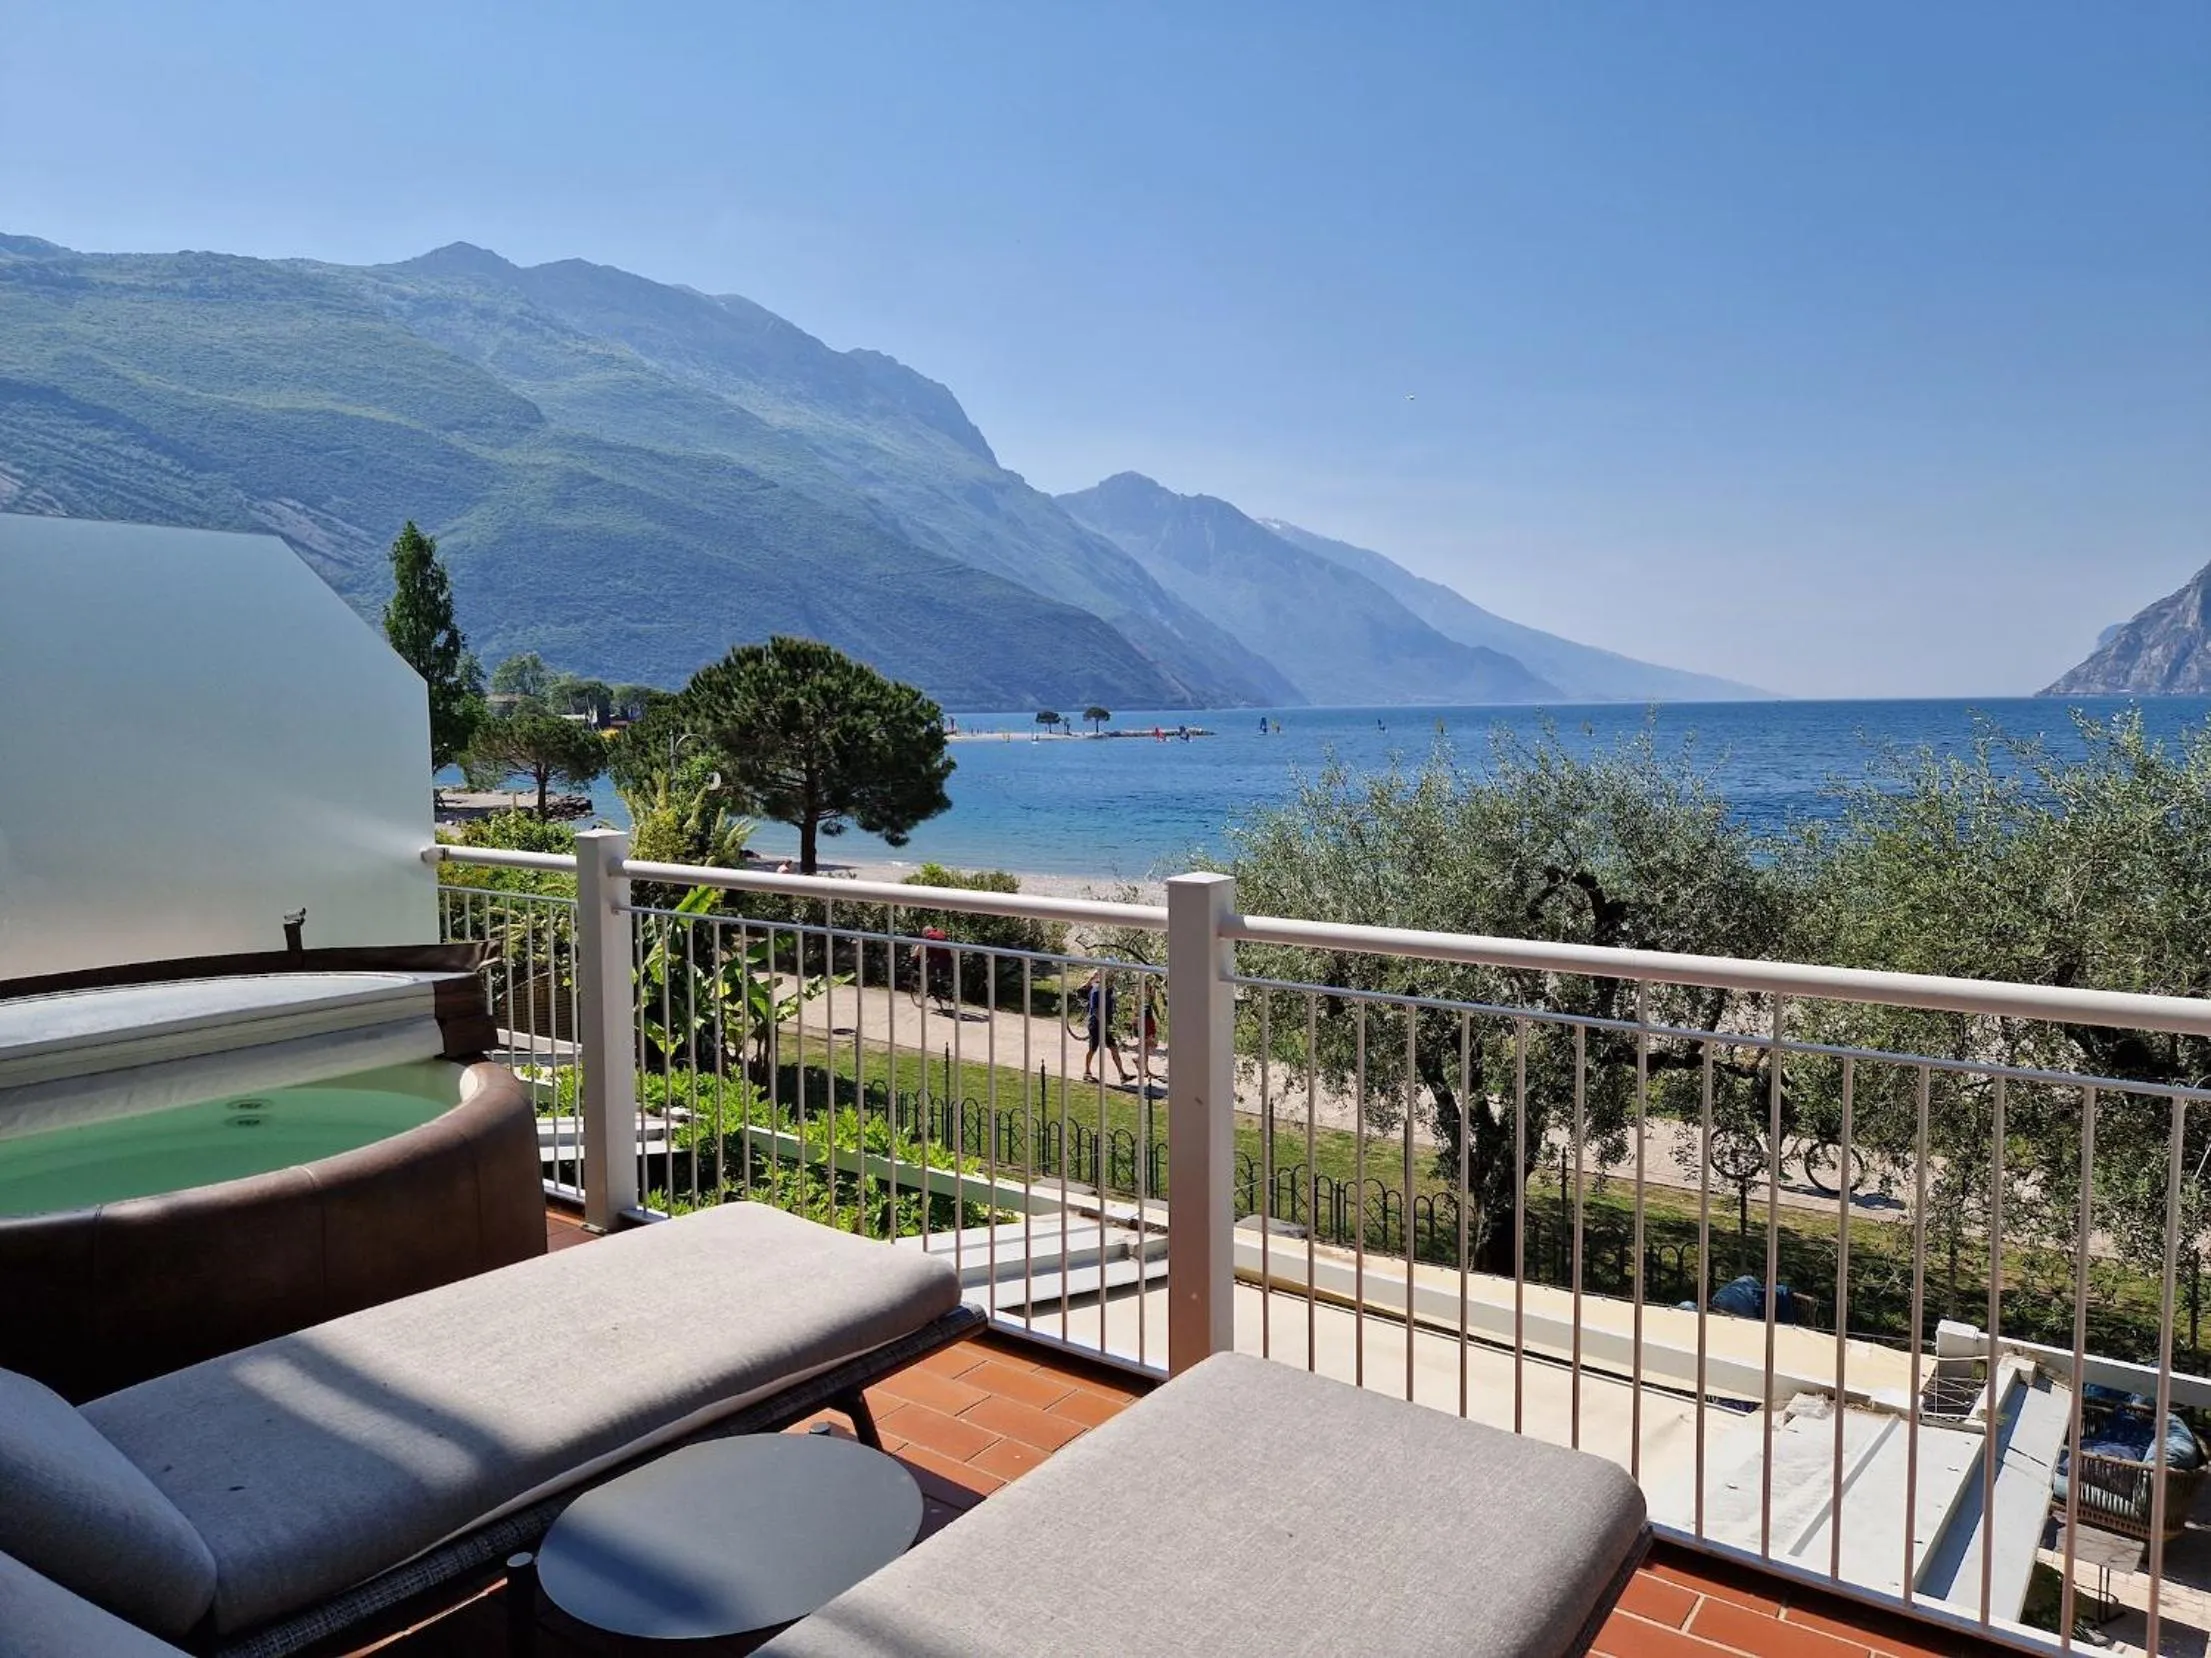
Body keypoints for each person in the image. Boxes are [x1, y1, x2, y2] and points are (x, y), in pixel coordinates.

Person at [1080, 970, 1130, 1085]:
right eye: (1111, 978)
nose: (1113, 980)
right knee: (1093, 1048)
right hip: (1096, 1024)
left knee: (1114, 1047)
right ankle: (1087, 1072)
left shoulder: (1110, 990)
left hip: (1107, 1024)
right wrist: (1104, 1023)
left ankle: (1122, 1074)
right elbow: (1095, 1010)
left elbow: (1112, 1006)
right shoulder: (1096, 991)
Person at [1134, 978, 1164, 1089]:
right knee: (1148, 1043)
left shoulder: (1149, 997)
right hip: (1143, 1021)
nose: (1148, 988)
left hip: (1149, 1020)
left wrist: (1155, 984)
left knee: (1146, 1047)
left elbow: (1153, 999)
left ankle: (1146, 1070)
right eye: (1146, 986)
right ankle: (1138, 1060)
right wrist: (1135, 1022)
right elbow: (1136, 1010)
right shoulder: (1139, 997)